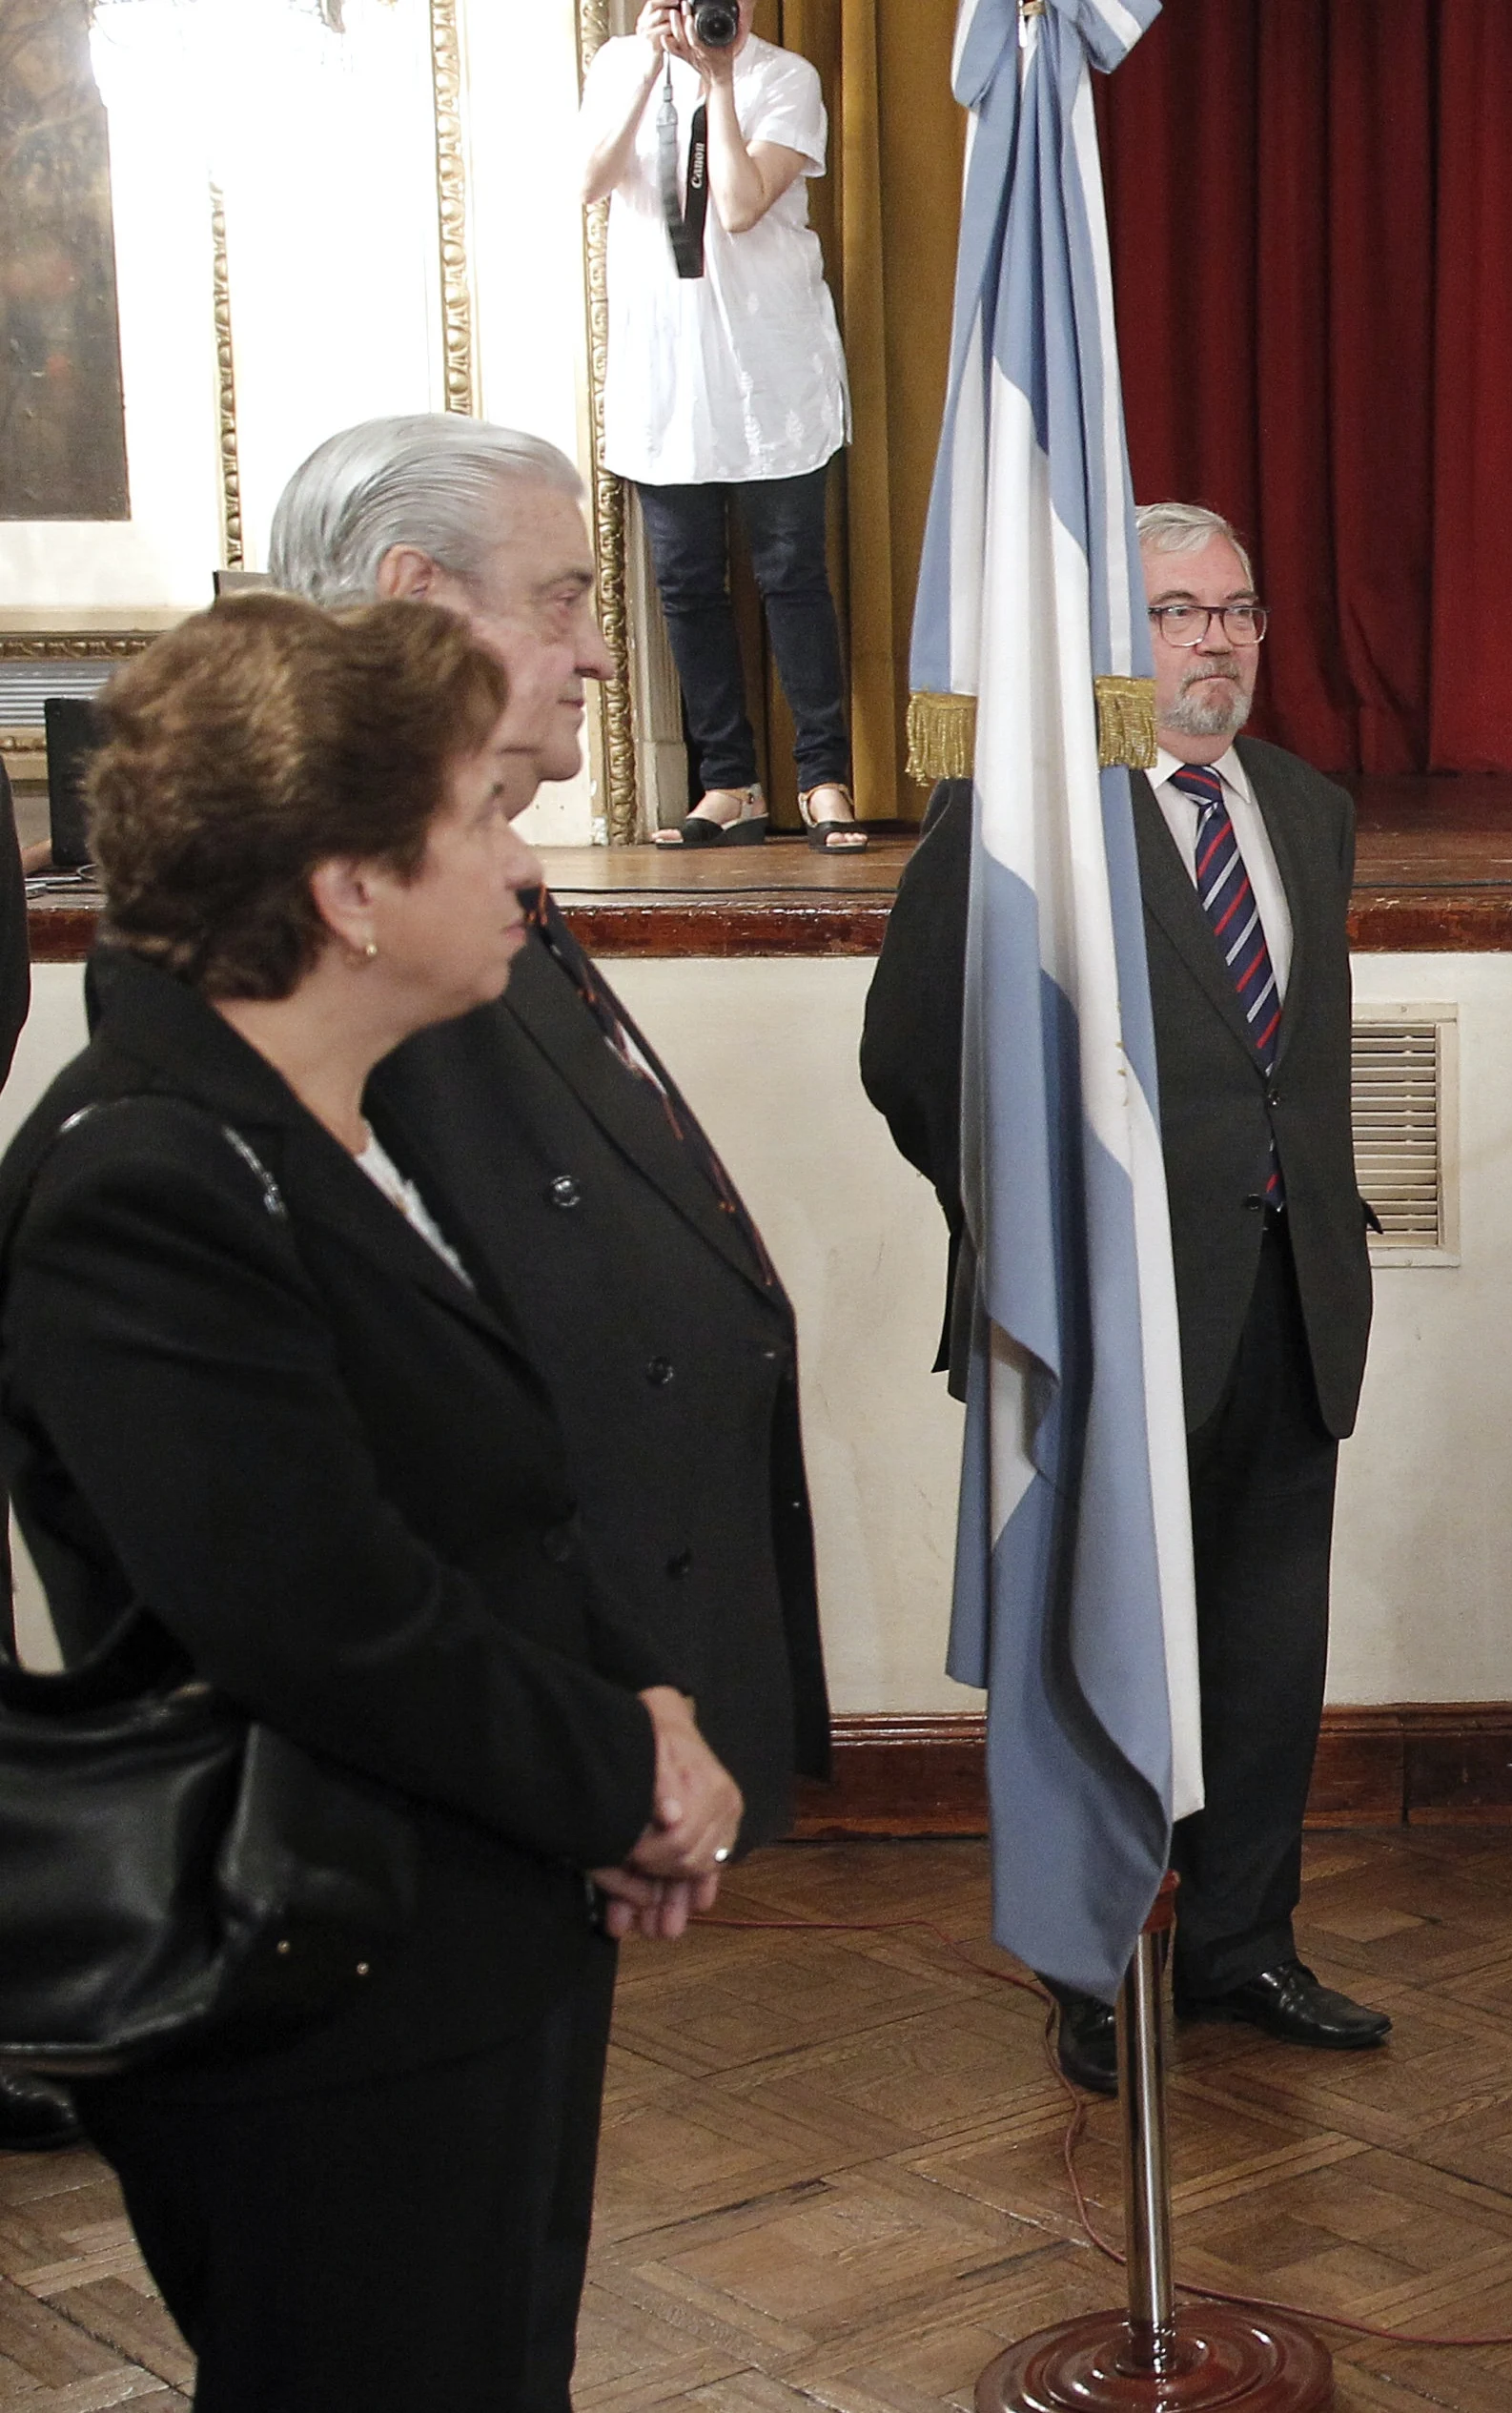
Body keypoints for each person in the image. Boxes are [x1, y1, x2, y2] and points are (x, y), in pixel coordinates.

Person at [0, 594, 741, 2405]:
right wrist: (621, 1779)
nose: (517, 855)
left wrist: (633, 1705)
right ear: (348, 888)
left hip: (462, 1927)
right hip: (320, 1992)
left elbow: (491, 1510)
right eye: (476, 817)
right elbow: (326, 1617)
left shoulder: (325, 1121)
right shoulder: (144, 1183)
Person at [863, 502, 1382, 2095]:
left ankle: (1243, 1943)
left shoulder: (1307, 807)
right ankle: (1091, 1964)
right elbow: (909, 1054)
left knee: (1264, 1648)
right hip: (1104, 1322)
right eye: (1173, 612)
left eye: (1236, 611)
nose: (1214, 639)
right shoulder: (1031, 817)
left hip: (1290, 1298)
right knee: (1101, 1648)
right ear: (1113, 643)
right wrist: (1030, 1238)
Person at [268, 412, 828, 1861]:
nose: (595, 650)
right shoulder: (337, 925)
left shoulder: (463, 863)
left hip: (595, 1695)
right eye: (564, 598)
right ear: (413, 597)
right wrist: (595, 1725)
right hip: (467, 1772)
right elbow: (410, 1423)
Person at [579, 0, 862, 850]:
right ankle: (727, 782)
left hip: (766, 369)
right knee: (687, 584)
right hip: (667, 371)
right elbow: (589, 184)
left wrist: (722, 82)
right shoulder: (613, 70)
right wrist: (641, 73)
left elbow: (738, 205)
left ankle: (824, 779)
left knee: (790, 574)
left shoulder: (784, 77)